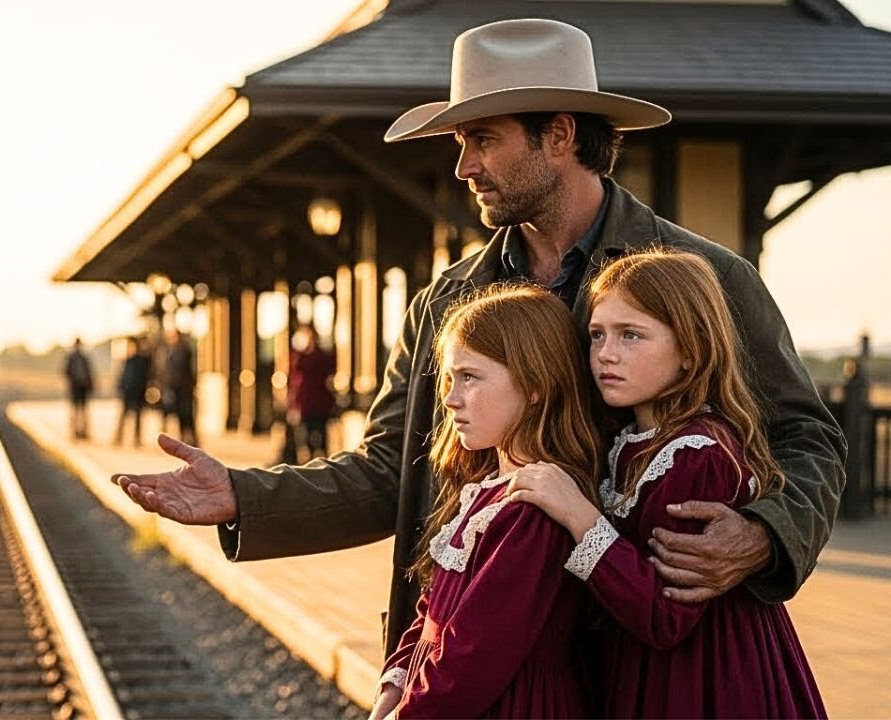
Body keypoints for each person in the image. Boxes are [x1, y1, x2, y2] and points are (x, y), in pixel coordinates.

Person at [112, 18, 845, 664]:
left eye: (483, 141)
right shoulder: (446, 302)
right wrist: (243, 495)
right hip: (498, 655)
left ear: (559, 135)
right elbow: (390, 471)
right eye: (462, 143)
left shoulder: (709, 279)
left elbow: (806, 439)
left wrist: (766, 533)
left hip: (651, 657)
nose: (463, 166)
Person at [509, 250, 826, 717]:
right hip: (640, 670)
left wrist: (578, 514)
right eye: (597, 335)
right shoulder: (629, 442)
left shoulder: (698, 456)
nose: (606, 354)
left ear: (691, 349)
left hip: (705, 682)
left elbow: (665, 616)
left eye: (631, 335)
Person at [372, 284, 601, 719]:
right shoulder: (487, 491)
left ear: (536, 384)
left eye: (470, 377)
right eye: (449, 378)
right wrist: (393, 687)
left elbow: (472, 657)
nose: (450, 398)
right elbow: (432, 611)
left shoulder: (534, 509)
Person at [287, 324, 337, 460]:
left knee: (320, 436)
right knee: (305, 437)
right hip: (305, 403)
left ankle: (320, 462)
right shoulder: (299, 357)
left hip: (318, 403)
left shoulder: (319, 356)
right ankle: (309, 461)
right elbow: (295, 383)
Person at [160, 328, 198, 447]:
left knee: (187, 416)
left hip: (184, 390)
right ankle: (184, 440)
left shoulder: (185, 351)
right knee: (180, 417)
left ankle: (192, 440)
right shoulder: (169, 352)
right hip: (175, 390)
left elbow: (186, 371)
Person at [114, 336, 151, 447]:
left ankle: (137, 439)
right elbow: (122, 377)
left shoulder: (143, 360)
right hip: (128, 393)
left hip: (138, 393)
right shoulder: (127, 360)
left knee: (138, 418)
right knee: (124, 417)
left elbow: (146, 377)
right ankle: (119, 438)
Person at [64, 337, 95, 440]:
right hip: (75, 387)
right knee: (75, 410)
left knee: (84, 410)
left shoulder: (84, 358)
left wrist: (89, 385)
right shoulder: (71, 358)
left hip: (83, 388)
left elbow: (90, 373)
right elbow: (65, 372)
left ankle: (84, 431)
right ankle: (74, 432)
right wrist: (75, 379)